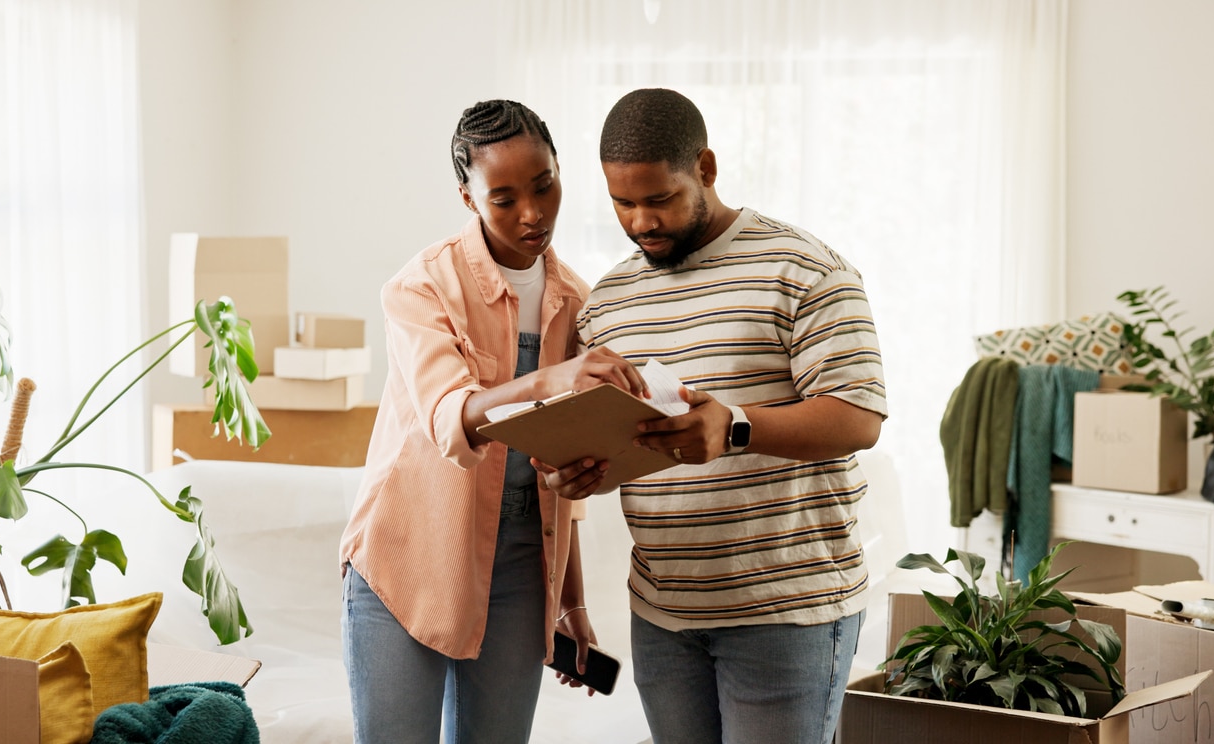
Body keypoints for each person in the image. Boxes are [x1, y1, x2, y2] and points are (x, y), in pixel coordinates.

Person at [539, 88, 889, 744]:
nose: (641, 221)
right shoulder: (606, 304)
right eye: (622, 202)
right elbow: (626, 443)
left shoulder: (805, 269)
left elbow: (857, 417)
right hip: (663, 613)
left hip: (787, 612)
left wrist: (734, 425)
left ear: (705, 167)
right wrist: (584, 472)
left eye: (659, 198)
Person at [337, 99, 646, 744]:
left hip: (521, 568)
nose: (532, 214)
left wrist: (571, 602)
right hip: (410, 554)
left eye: (544, 186)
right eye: (503, 198)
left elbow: (562, 486)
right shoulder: (420, 287)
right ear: (468, 198)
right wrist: (551, 379)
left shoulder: (579, 303)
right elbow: (450, 418)